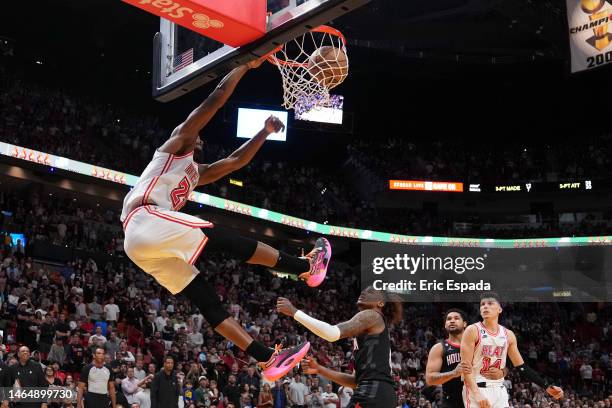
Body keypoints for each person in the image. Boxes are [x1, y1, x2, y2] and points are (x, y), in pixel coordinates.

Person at [120, 60, 331, 381]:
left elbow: (234, 161)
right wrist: (244, 65)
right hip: (144, 217)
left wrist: (265, 131)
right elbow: (215, 98)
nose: (201, 138)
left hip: (140, 244)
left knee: (207, 300)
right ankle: (304, 268)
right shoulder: (176, 143)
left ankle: (266, 359)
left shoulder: (195, 172)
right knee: (215, 233)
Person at [277, 286, 403, 408]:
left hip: (372, 392)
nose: (364, 292)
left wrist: (294, 312)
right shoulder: (372, 332)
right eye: (365, 289)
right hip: (382, 395)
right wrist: (320, 369)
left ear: (381, 303)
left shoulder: (372, 315)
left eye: (371, 291)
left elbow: (331, 333)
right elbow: (354, 381)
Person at [460, 292, 564, 408]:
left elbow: (522, 367)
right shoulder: (472, 330)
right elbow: (465, 366)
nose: (485, 306)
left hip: (500, 389)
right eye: (482, 304)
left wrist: (546, 386)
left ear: (500, 309)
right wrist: (477, 393)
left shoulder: (508, 335)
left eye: (490, 303)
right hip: (477, 388)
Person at [425, 309, 505, 408]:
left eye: (456, 318)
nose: (452, 321)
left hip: (478, 398)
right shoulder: (439, 348)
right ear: (445, 325)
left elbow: (503, 367)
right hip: (452, 401)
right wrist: (453, 373)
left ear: (465, 324)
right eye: (449, 319)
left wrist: (502, 372)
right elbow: (429, 379)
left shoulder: (480, 344)